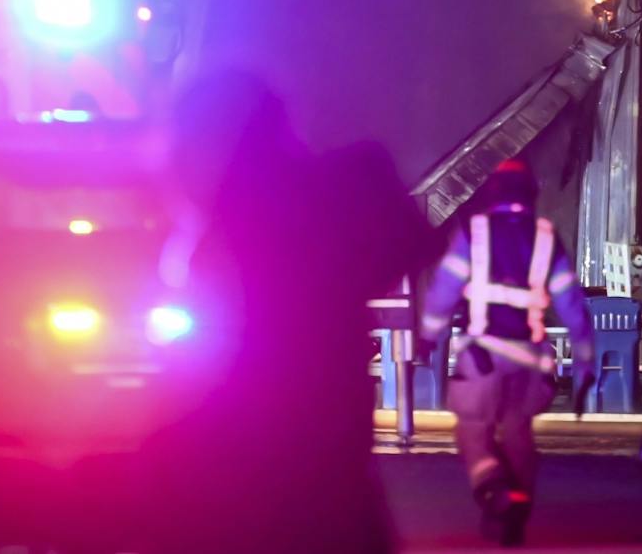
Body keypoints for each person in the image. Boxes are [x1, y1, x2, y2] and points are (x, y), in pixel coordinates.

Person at [148, 71, 435, 554]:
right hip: (326, 448)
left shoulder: (238, 223)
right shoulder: (324, 202)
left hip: (255, 460)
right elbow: (409, 245)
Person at [417, 158, 594, 548]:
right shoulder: (546, 238)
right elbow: (572, 305)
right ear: (531, 193)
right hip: (531, 358)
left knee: (473, 430)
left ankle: (495, 490)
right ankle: (519, 507)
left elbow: (444, 290)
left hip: (483, 355)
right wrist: (584, 360)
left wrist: (427, 335)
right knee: (518, 431)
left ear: (491, 193)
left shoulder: (474, 233)